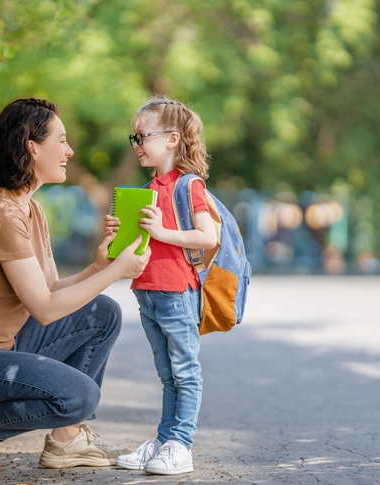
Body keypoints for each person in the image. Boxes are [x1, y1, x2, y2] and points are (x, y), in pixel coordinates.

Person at [0, 97, 151, 483]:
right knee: (79, 397)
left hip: (3, 347)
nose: (70, 151)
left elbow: (48, 290)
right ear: (33, 146)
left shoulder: (30, 209)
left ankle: (67, 440)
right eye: (61, 141)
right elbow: (45, 309)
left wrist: (101, 267)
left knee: (102, 313)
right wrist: (116, 273)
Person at [103, 96, 217, 475]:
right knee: (167, 374)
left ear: (171, 139)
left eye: (142, 137)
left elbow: (208, 236)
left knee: (185, 372)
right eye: (133, 138)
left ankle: (181, 445)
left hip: (176, 292)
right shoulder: (146, 188)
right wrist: (119, 236)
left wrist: (162, 231)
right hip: (147, 291)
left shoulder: (190, 186)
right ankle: (164, 440)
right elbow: (137, 244)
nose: (136, 145)